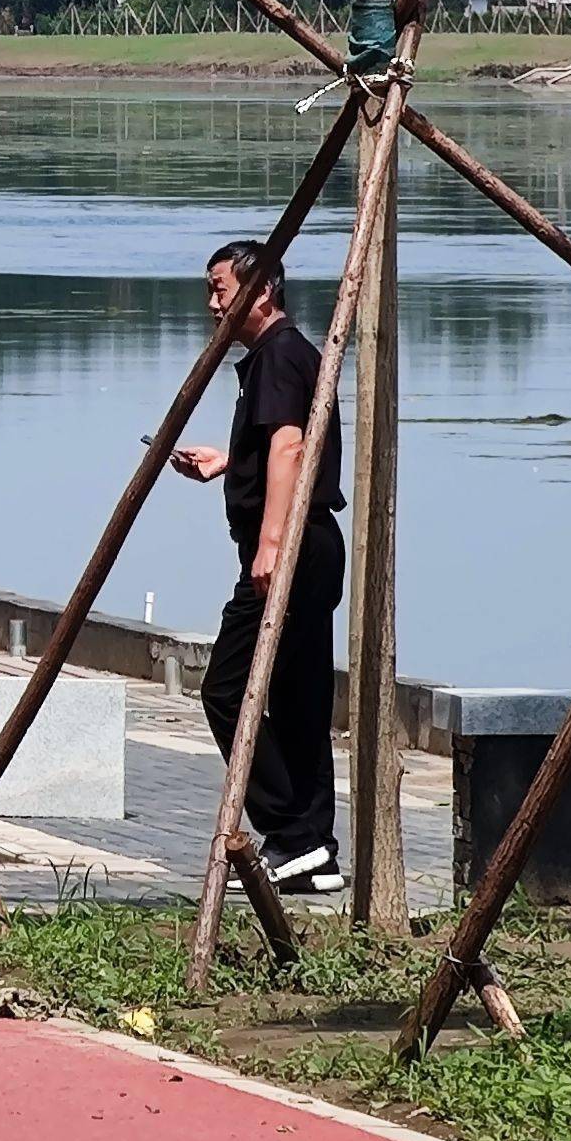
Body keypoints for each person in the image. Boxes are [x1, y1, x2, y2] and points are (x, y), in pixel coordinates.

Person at [173, 238, 350, 898]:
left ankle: (291, 831)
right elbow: (276, 446)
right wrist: (228, 463)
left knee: (225, 687)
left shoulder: (278, 356)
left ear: (262, 290)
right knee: (301, 701)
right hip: (311, 546)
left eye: (221, 290)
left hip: (294, 552)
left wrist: (271, 547)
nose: (213, 304)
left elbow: (292, 448)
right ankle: (315, 852)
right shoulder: (286, 356)